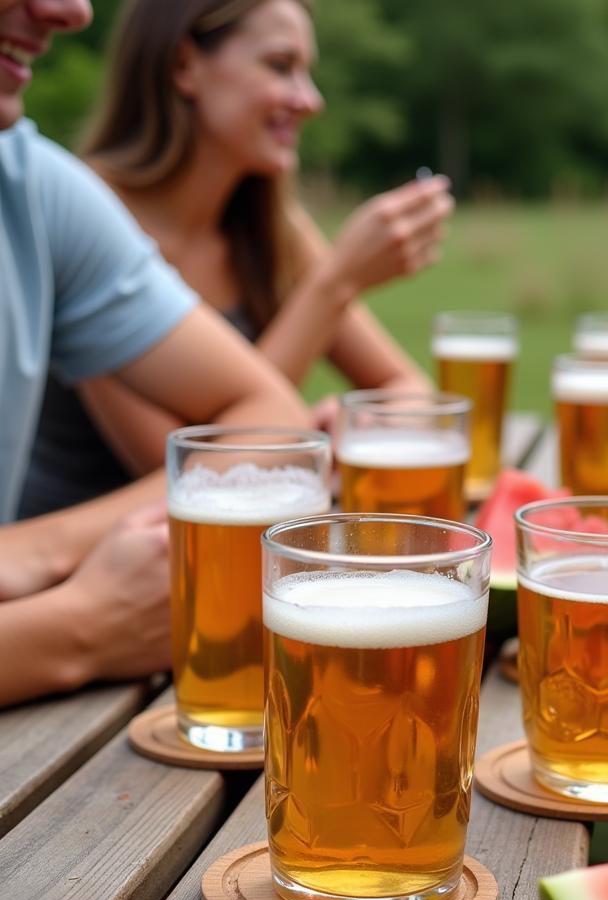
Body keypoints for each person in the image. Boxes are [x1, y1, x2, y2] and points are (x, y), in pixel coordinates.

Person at [17, 0, 452, 519]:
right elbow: (188, 472)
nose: (310, 100)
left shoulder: (272, 228)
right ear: (184, 66)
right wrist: (334, 284)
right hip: (79, 578)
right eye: (280, 66)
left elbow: (412, 390)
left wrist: (359, 427)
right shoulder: (88, 224)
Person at [0, 0, 312, 706]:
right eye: (279, 66)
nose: (71, 10)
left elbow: (271, 416)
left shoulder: (36, 189)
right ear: (182, 68)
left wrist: (32, 552)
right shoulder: (98, 195)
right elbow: (177, 454)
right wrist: (76, 629)